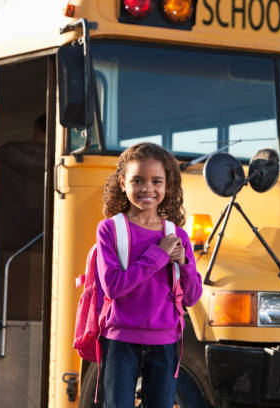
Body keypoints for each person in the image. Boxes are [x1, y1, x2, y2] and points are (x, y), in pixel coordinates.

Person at [96, 142, 203, 407]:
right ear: (123, 183)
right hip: (120, 342)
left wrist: (185, 263)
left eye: (157, 181)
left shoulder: (177, 235)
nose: (148, 189)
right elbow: (113, 287)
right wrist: (159, 255)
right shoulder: (109, 230)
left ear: (167, 186)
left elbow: (192, 297)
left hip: (165, 342)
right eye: (138, 180)